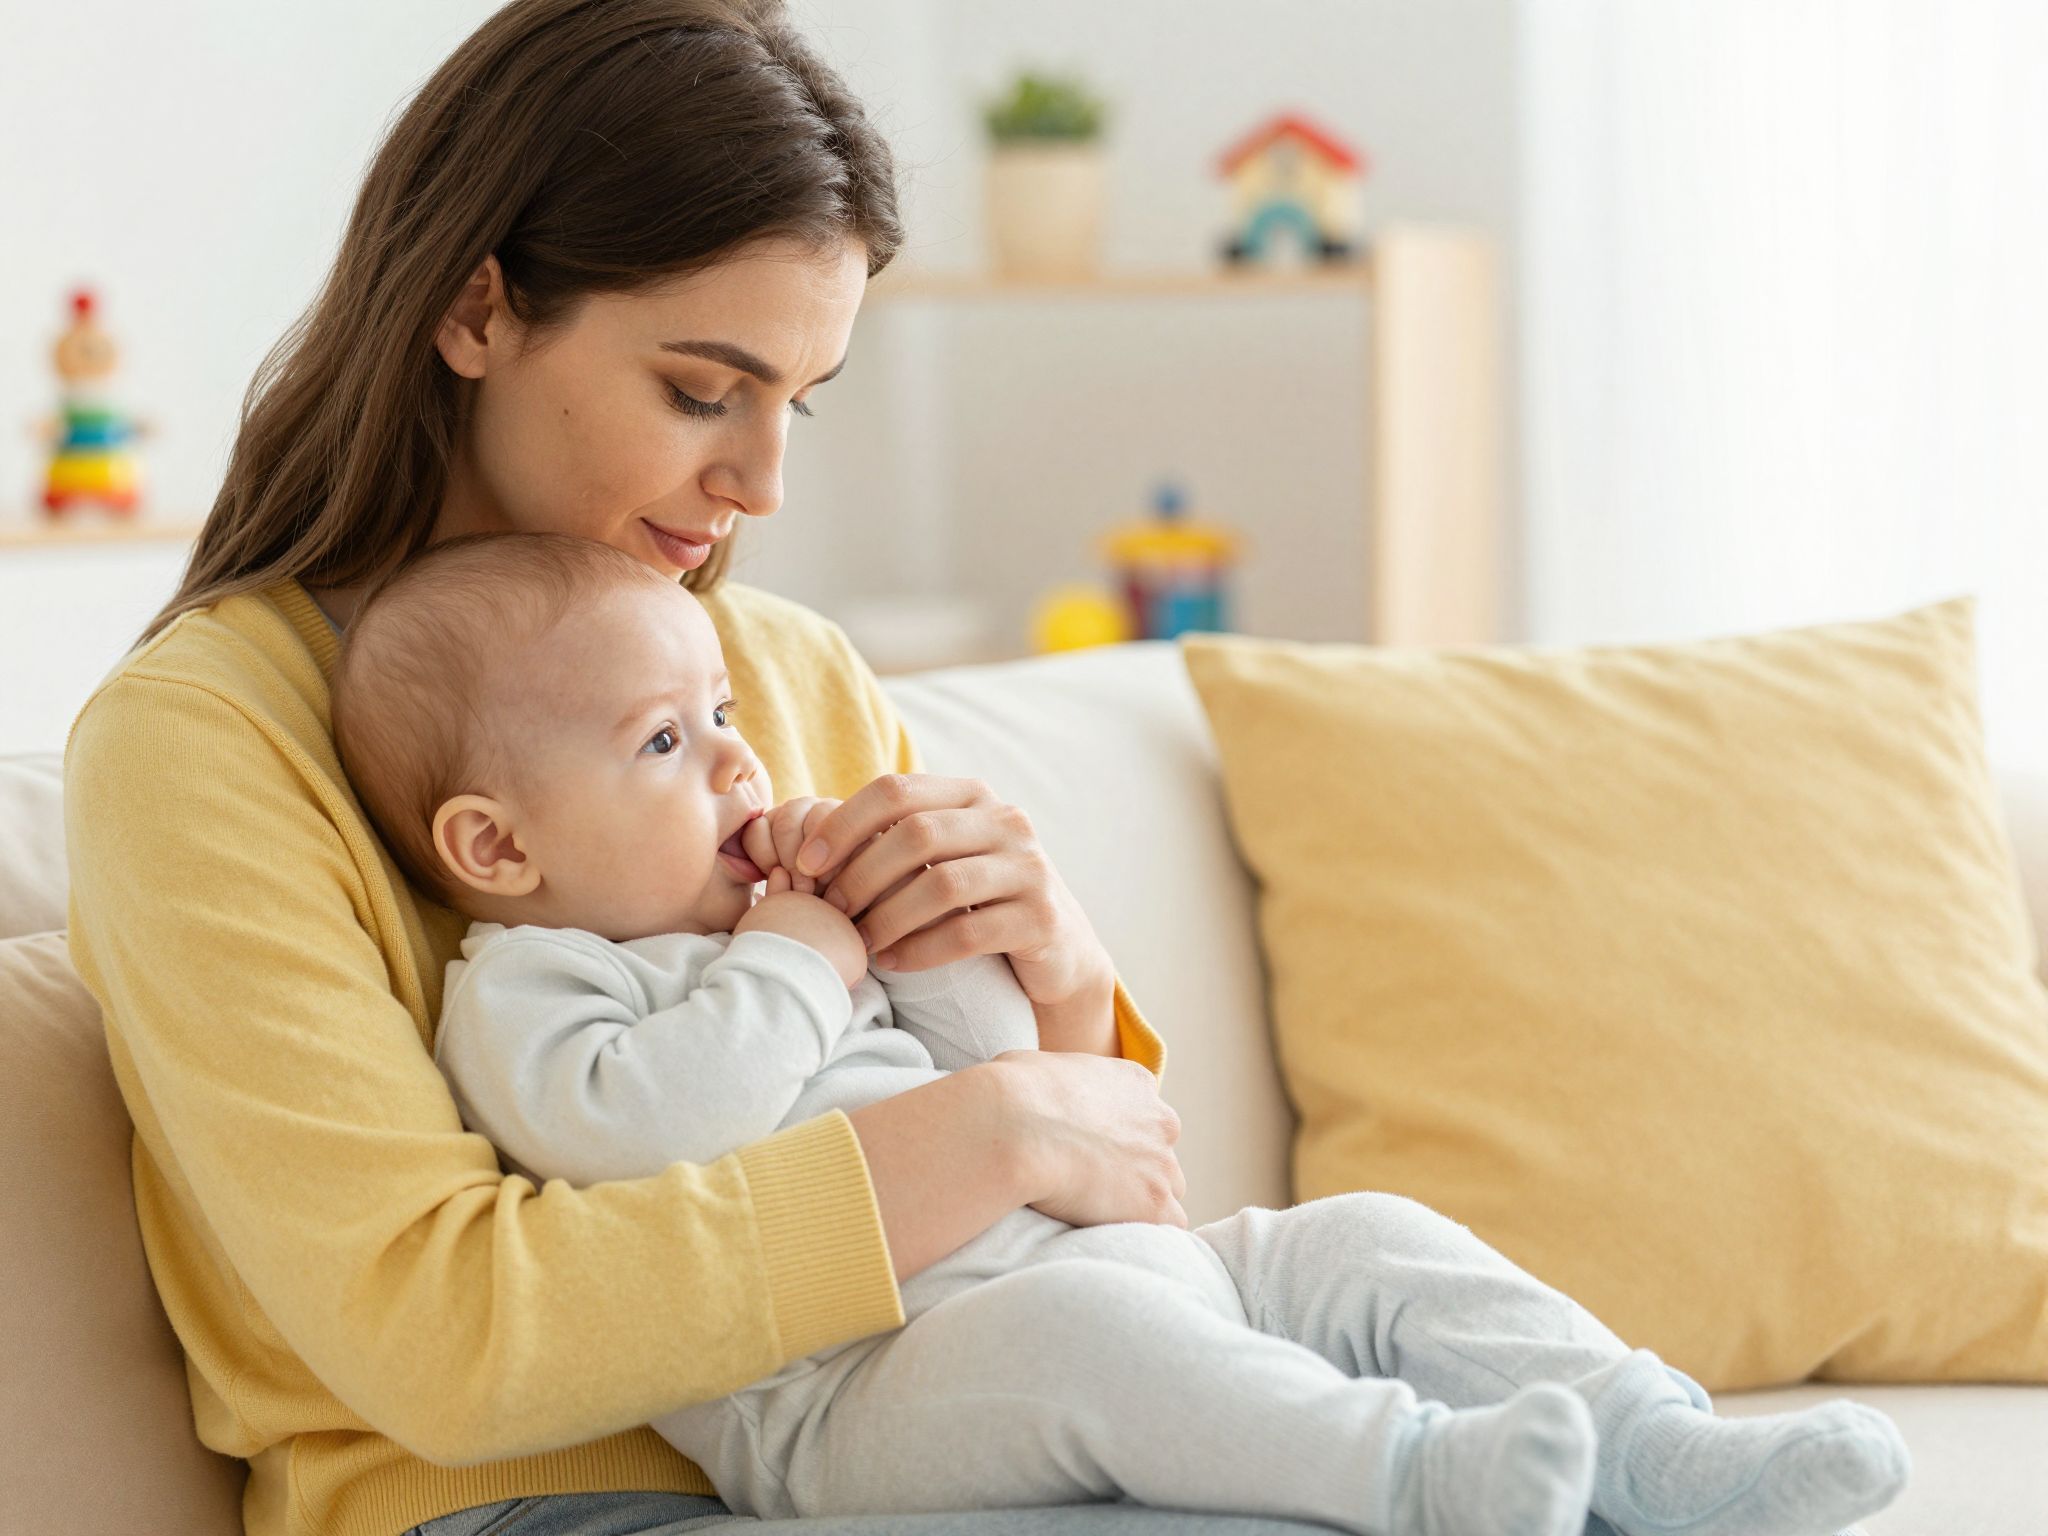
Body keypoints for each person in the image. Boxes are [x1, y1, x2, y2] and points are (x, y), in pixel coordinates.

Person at [324, 531, 1910, 1536]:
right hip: (862, 1397)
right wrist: (804, 957)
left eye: (727, 716)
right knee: (1099, 1347)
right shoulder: (535, 987)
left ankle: (1659, 1446)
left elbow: (998, 1065)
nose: (740, 768)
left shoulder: (766, 919)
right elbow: (654, 1129)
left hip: (1099, 1264)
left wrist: (926, 931)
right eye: (666, 743)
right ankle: (1413, 1473)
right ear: (496, 846)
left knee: (1363, 1237)